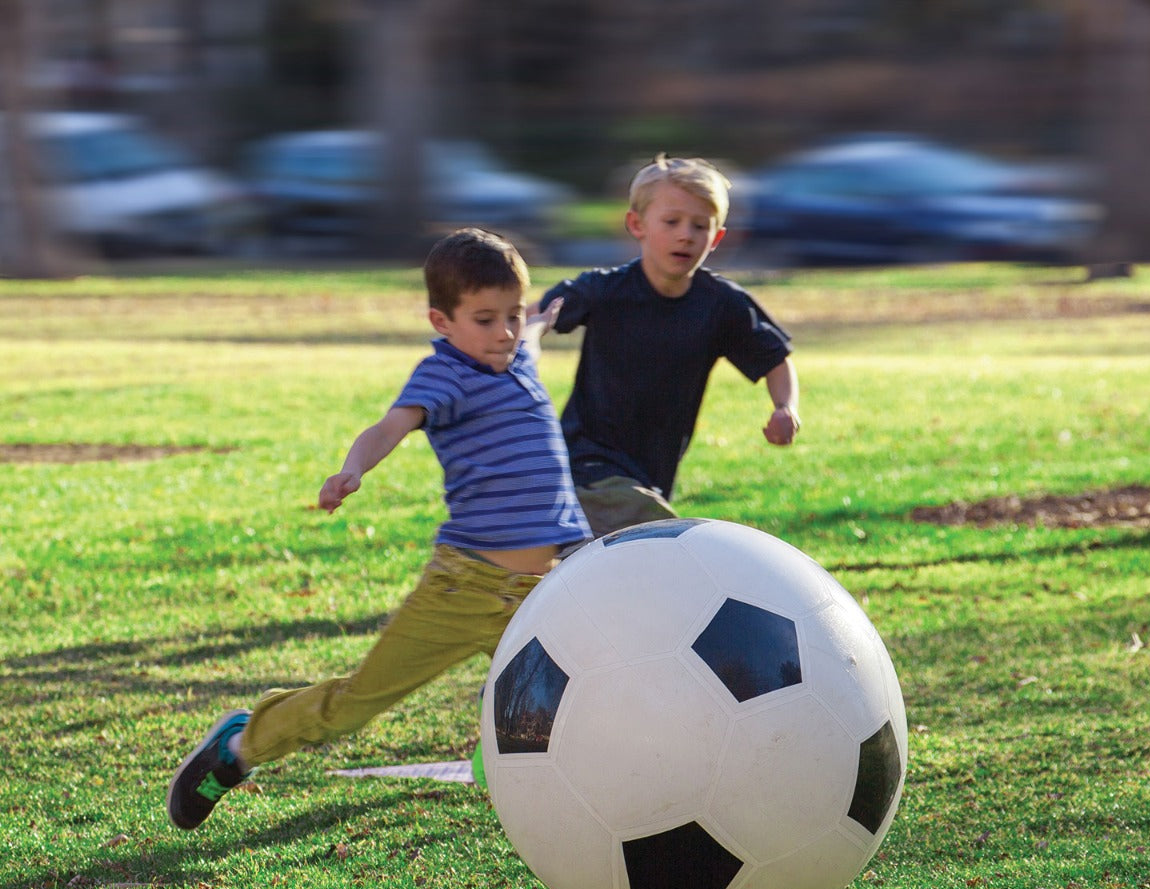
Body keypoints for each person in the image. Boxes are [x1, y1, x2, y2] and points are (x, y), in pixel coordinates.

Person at [168, 228, 590, 830]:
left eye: (512, 314)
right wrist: (352, 469)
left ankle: (533, 786)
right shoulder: (444, 376)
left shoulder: (515, 352)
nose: (502, 331)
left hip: (538, 593)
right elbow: (389, 427)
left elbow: (530, 336)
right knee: (354, 706)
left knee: (581, 697)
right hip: (463, 589)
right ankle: (240, 746)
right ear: (441, 322)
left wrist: (542, 320)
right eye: (484, 318)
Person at [538, 153, 801, 538]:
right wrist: (514, 344)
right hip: (585, 464)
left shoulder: (721, 304)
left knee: (603, 564)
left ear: (717, 238)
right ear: (636, 224)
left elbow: (775, 359)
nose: (685, 235)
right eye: (672, 221)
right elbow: (534, 317)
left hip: (651, 475)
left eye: (700, 226)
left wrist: (785, 408)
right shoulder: (604, 290)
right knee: (661, 544)